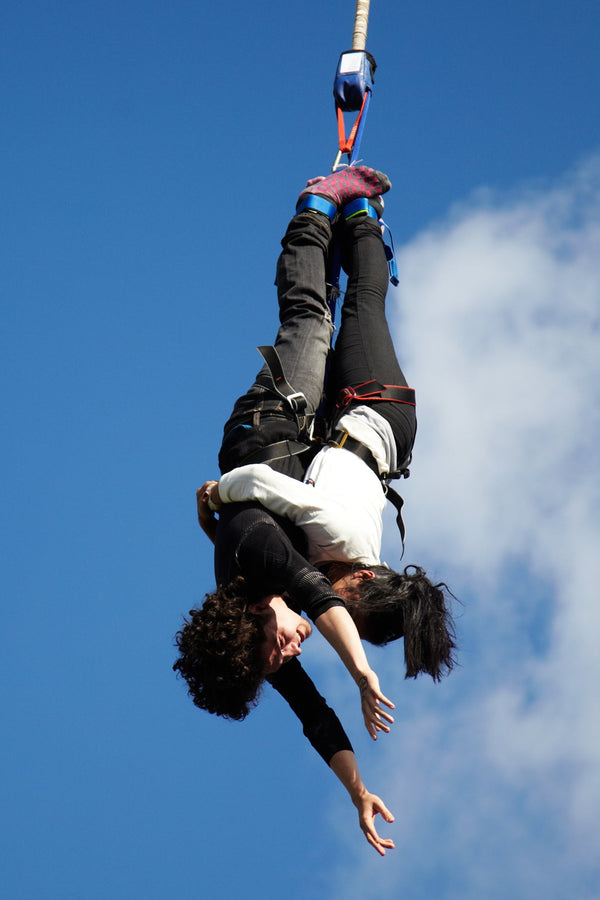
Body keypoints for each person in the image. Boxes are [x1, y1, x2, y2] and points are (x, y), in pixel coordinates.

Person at [174, 166, 453, 854]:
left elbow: (316, 593)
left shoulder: (262, 564)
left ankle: (319, 202)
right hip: (324, 431)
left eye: (278, 649)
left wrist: (361, 669)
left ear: (250, 626)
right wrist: (357, 789)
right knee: (334, 310)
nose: (292, 653)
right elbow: (315, 718)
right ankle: (356, 219)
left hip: (276, 425)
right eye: (281, 661)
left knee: (309, 313)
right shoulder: (264, 609)